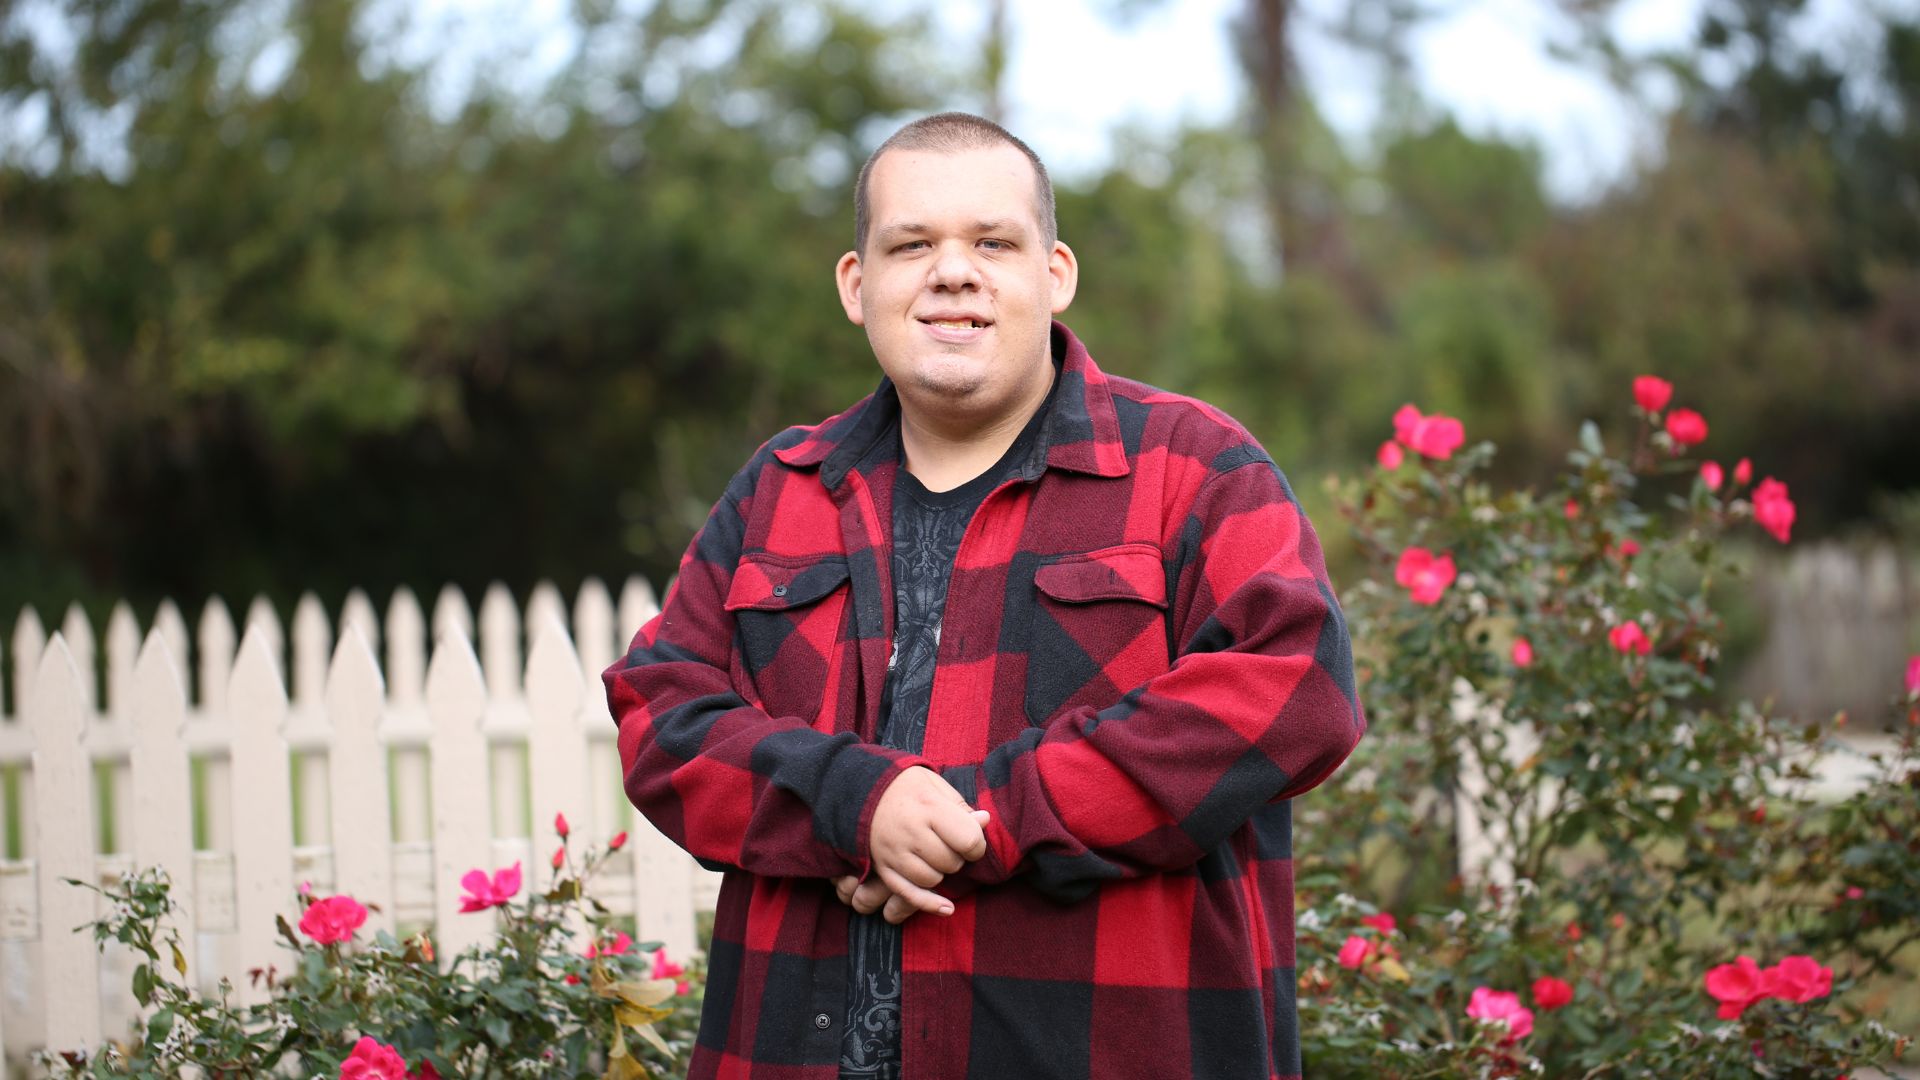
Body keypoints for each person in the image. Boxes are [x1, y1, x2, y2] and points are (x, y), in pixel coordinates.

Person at [605, 112, 1363, 1080]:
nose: (952, 271)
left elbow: (1299, 687)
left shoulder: (1192, 468)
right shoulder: (780, 490)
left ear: (1055, 276)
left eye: (992, 242)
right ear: (857, 284)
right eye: (911, 243)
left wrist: (989, 814)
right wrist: (851, 801)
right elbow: (659, 709)